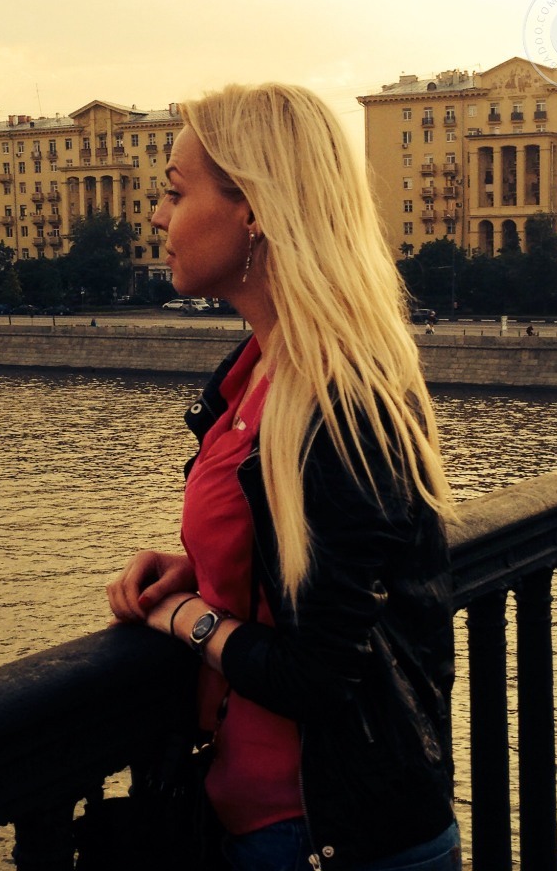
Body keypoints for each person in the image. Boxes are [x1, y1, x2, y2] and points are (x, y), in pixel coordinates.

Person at [106, 83, 460, 871]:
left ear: (255, 209)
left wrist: (187, 617)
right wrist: (205, 571)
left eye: (175, 192)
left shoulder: (340, 402)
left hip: (336, 842)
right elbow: (313, 563)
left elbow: (320, 674)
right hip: (266, 826)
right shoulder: (257, 372)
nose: (158, 217)